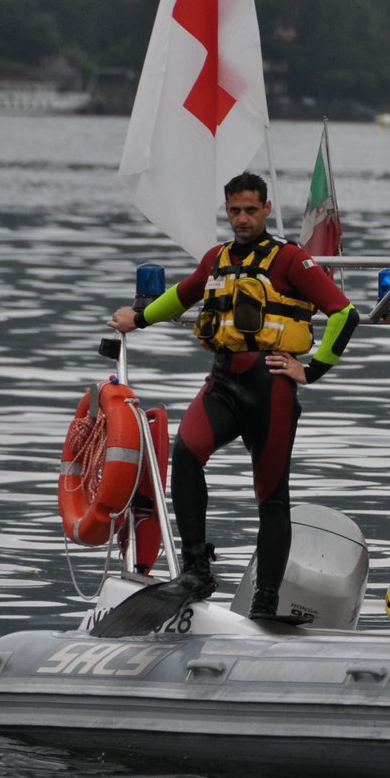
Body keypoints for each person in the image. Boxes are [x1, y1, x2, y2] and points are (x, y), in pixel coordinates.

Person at [107, 172, 358, 620]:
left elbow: (345, 313)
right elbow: (182, 296)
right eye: (234, 210)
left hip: (271, 388)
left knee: (271, 497)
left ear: (265, 209)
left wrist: (313, 369)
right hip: (222, 384)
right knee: (186, 453)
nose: (242, 219)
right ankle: (197, 568)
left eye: (250, 210)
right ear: (227, 210)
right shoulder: (216, 258)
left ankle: (264, 603)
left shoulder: (290, 260)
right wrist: (139, 318)